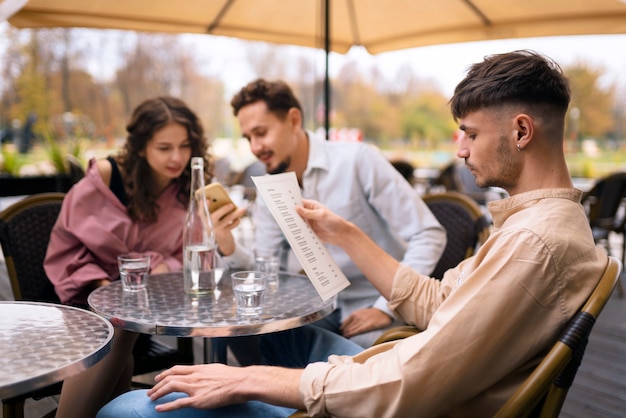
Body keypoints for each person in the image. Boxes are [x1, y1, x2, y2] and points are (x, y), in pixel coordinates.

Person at [97, 50, 609, 417]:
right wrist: (344, 233)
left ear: (521, 132)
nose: (460, 150)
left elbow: (412, 383)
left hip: (393, 390)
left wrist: (247, 381)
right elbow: (441, 307)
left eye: (470, 134)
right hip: (393, 368)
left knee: (127, 408)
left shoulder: (534, 244)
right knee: (259, 344)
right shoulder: (538, 228)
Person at [44, 96, 246, 418]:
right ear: (141, 147)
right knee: (115, 324)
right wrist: (111, 289)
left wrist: (161, 269)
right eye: (164, 148)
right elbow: (68, 250)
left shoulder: (187, 190)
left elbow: (188, 257)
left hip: (152, 305)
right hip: (83, 298)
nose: (177, 157)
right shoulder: (110, 177)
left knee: (123, 327)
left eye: (184, 146)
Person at [219, 78, 446, 347]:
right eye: (248, 138)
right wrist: (228, 245)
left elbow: (429, 234)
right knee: (234, 337)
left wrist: (386, 307)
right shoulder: (270, 184)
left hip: (375, 304)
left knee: (339, 358)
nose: (255, 148)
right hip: (313, 307)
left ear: (294, 119)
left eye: (261, 133)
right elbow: (265, 269)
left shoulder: (358, 161)